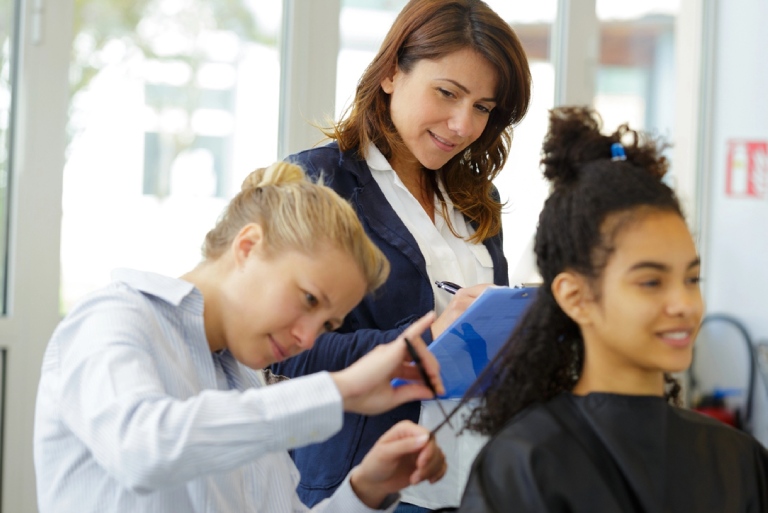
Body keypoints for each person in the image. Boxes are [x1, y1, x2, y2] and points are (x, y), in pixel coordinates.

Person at [33, 161, 448, 513]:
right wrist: (342, 390)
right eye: (308, 299)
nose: (307, 339)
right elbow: (141, 450)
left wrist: (366, 489)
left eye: (327, 325)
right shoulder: (114, 317)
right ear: (248, 247)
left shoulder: (245, 383)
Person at [269, 0, 531, 511]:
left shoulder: (477, 200)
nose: (463, 125)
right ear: (391, 73)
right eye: (447, 93)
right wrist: (423, 340)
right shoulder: (319, 182)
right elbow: (287, 349)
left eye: (482, 108)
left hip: (473, 482)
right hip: (369, 486)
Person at [456, 106, 768, 512]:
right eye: (651, 282)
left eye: (692, 279)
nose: (684, 305)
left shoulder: (739, 460)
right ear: (575, 297)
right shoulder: (526, 463)